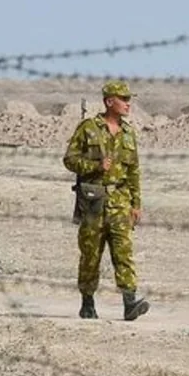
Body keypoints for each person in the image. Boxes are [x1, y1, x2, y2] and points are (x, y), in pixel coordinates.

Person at [62, 80, 149, 321]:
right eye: (124, 99)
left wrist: (136, 204)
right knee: (91, 254)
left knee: (124, 252)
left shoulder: (128, 133)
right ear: (110, 101)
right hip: (93, 201)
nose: (128, 104)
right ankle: (87, 303)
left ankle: (130, 303)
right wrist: (95, 166)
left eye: (129, 99)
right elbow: (69, 159)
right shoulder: (88, 128)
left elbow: (133, 171)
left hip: (120, 201)